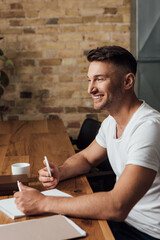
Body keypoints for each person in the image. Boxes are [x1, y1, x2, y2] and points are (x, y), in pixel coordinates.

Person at [14, 46, 160, 240]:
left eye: (99, 79)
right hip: (120, 223)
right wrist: (62, 171)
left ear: (127, 81)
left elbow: (117, 205)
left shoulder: (148, 127)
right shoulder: (111, 122)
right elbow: (86, 158)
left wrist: (43, 202)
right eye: (89, 80)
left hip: (146, 232)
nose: (90, 89)